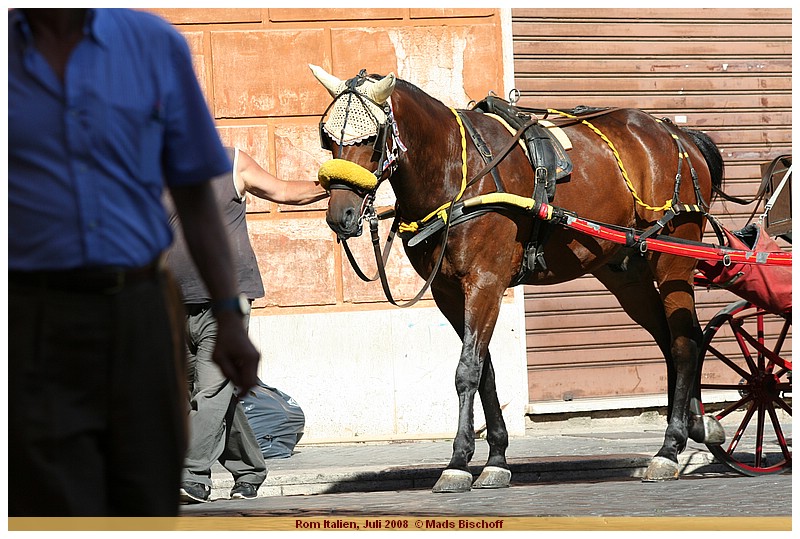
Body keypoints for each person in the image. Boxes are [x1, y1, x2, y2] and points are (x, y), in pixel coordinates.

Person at [8, 8, 260, 516]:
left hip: (138, 310)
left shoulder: (151, 44)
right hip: (27, 317)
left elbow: (197, 196)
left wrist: (232, 316)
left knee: (142, 497)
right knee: (42, 504)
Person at [166, 147, 327, 503]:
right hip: (174, 303)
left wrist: (333, 184)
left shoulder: (231, 161)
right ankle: (250, 471)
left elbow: (282, 191)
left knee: (209, 391)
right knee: (213, 395)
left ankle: (191, 476)